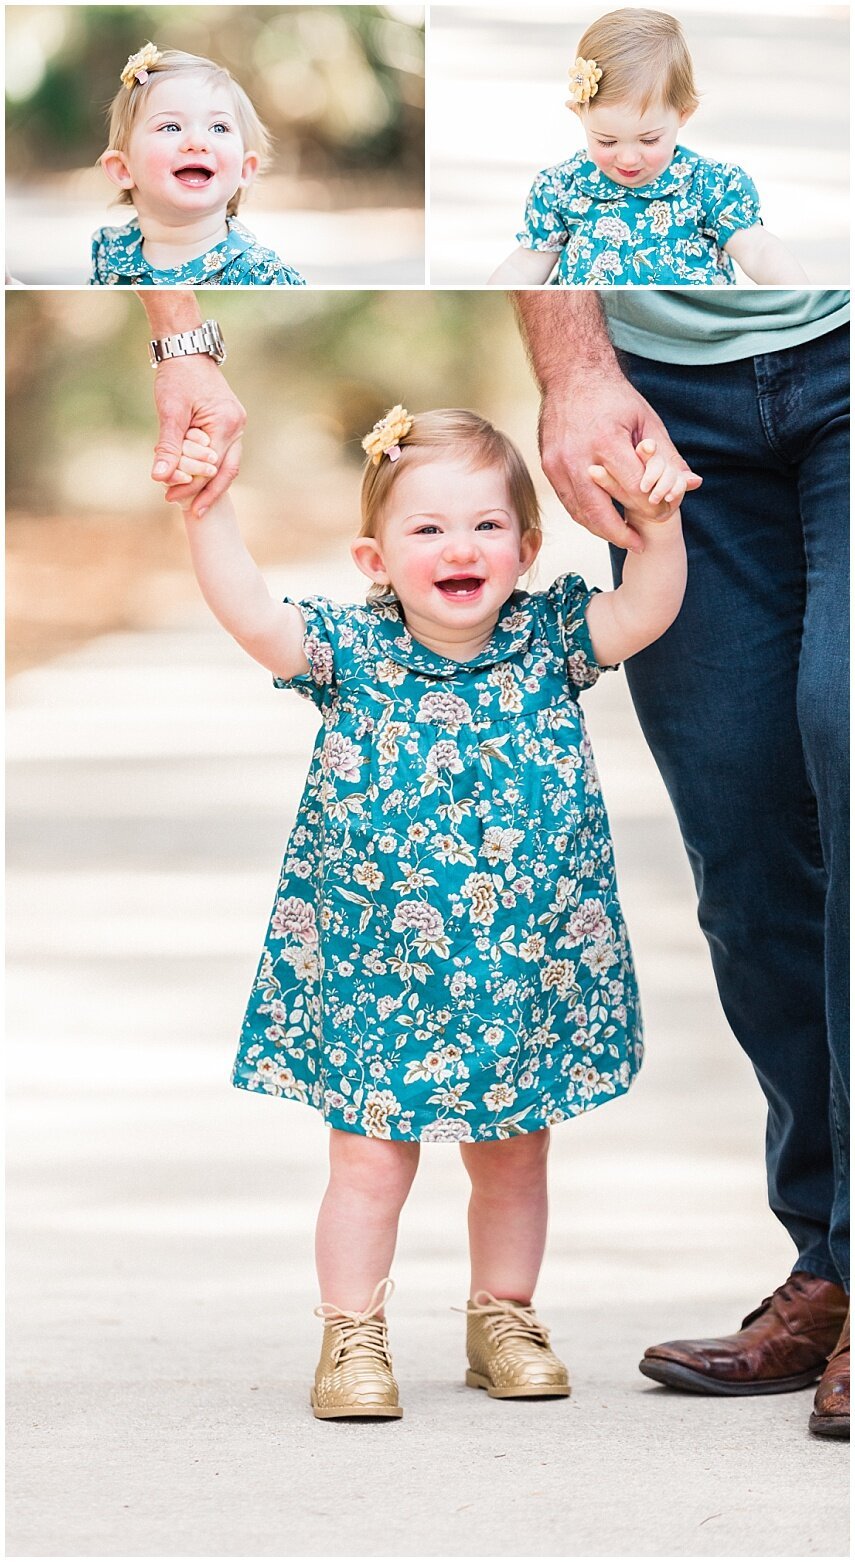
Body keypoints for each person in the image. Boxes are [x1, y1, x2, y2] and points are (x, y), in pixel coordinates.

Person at [159, 400, 688, 1419]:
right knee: (366, 1159)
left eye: (488, 525)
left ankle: (505, 1315)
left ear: (528, 547)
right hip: (375, 970)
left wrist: (656, 530)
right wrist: (205, 517)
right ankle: (352, 1334)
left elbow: (646, 612)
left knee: (517, 1153)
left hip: (520, 963)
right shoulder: (350, 654)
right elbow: (254, 615)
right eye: (429, 528)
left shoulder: (552, 641)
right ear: (374, 556)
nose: (462, 546)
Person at [513, 286, 850, 1440]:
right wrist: (574, 366)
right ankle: (831, 1256)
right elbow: (549, 202)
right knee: (742, 830)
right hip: (666, 404)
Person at [489, 8, 808, 287]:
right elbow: (524, 265)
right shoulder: (562, 189)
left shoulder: (709, 188)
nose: (627, 157)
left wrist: (797, 291)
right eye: (606, 141)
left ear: (684, 114)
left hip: (694, 338)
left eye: (649, 139)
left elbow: (758, 249)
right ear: (579, 114)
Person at [92, 43, 306, 286]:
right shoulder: (110, 255)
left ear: (245, 170)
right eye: (171, 127)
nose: (197, 142)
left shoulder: (262, 276)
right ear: (123, 169)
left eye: (219, 127)